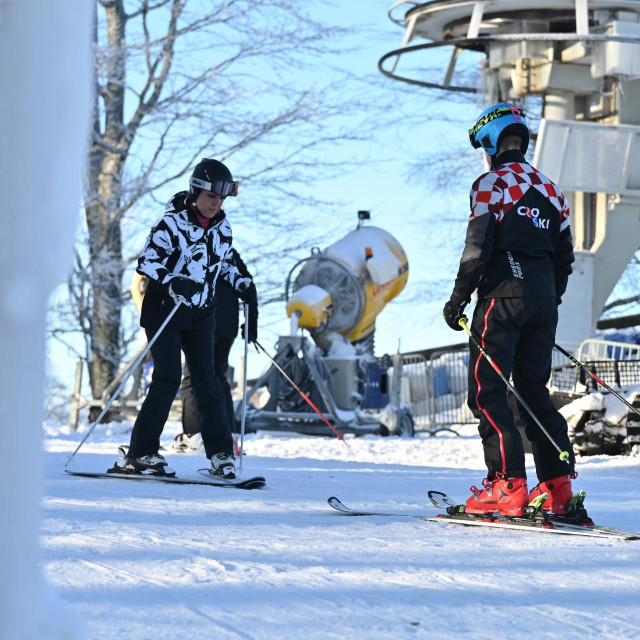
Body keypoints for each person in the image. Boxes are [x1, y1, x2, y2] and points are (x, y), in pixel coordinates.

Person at [442, 103, 576, 516]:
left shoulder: (490, 184)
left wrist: (458, 300)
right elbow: (565, 257)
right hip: (543, 301)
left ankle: (507, 485)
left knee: (487, 391)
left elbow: (477, 249)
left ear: (489, 142)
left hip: (501, 297)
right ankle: (557, 487)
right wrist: (548, 298)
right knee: (534, 391)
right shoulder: (551, 188)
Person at [113, 158, 257, 479]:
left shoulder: (223, 227)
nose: (215, 204)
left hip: (202, 313)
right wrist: (173, 279)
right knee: (168, 378)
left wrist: (242, 284)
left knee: (208, 382)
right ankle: (142, 452)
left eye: (220, 199)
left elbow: (226, 263)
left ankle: (220, 452)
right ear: (195, 193)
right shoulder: (172, 223)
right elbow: (148, 261)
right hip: (166, 310)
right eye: (210, 197)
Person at [171, 220, 258, 452]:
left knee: (192, 376)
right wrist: (251, 322)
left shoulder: (194, 249)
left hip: (204, 321)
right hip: (227, 323)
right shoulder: (228, 251)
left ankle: (195, 433)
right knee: (218, 376)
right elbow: (248, 285)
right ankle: (226, 433)